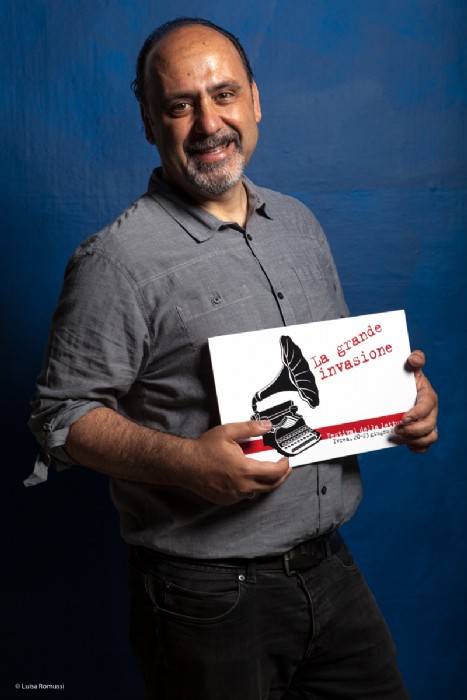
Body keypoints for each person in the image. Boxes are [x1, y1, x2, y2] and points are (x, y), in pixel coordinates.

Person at [29, 17, 438, 700]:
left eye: (223, 95)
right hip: (206, 599)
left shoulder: (300, 224)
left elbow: (332, 375)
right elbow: (59, 418)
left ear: (255, 100)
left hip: (332, 570)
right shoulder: (115, 261)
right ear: (149, 123)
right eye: (179, 105)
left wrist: (403, 403)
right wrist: (186, 463)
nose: (209, 123)